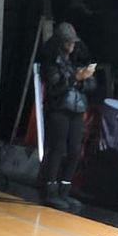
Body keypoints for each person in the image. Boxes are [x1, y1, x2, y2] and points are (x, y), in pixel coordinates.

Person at [36, 21, 94, 200]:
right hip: (59, 109)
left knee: (75, 150)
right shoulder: (51, 60)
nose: (72, 45)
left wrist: (84, 79)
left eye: (73, 42)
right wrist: (74, 78)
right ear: (59, 43)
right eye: (68, 42)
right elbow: (54, 88)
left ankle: (65, 189)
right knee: (57, 149)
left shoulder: (74, 59)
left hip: (77, 108)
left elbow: (90, 86)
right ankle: (50, 189)